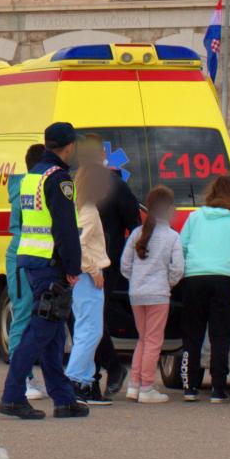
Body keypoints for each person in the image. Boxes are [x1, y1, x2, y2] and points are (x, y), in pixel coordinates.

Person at [0, 121, 86, 420]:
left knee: (53, 333)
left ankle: (63, 399)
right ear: (69, 146)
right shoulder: (59, 178)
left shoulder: (31, 177)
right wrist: (73, 267)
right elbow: (65, 228)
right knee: (40, 331)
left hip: (31, 259)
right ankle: (12, 396)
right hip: (50, 263)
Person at [177, 174, 230, 403]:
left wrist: (189, 268)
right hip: (223, 279)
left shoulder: (195, 216)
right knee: (220, 335)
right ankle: (218, 389)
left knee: (192, 334)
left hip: (194, 278)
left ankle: (190, 386)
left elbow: (181, 247)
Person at [86, 138, 144, 400]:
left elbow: (134, 225)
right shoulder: (76, 185)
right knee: (83, 321)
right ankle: (104, 371)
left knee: (92, 320)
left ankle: (99, 374)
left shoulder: (117, 187)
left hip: (106, 263)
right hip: (80, 260)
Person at [121, 185, 183, 403]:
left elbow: (125, 265)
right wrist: (168, 283)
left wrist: (136, 280)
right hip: (158, 294)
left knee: (142, 339)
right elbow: (178, 269)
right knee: (154, 340)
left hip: (136, 293)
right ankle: (147, 386)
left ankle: (134, 384)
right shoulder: (172, 236)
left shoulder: (138, 233)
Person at [62, 163, 115, 404]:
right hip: (88, 275)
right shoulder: (89, 210)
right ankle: (74, 379)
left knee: (86, 329)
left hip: (81, 275)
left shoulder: (77, 207)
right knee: (90, 331)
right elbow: (80, 244)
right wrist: (94, 271)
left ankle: (84, 380)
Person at [5, 142, 46, 399]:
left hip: (28, 255)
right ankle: (20, 380)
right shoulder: (30, 188)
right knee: (22, 317)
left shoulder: (25, 186)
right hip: (23, 257)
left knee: (31, 318)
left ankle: (26, 377)